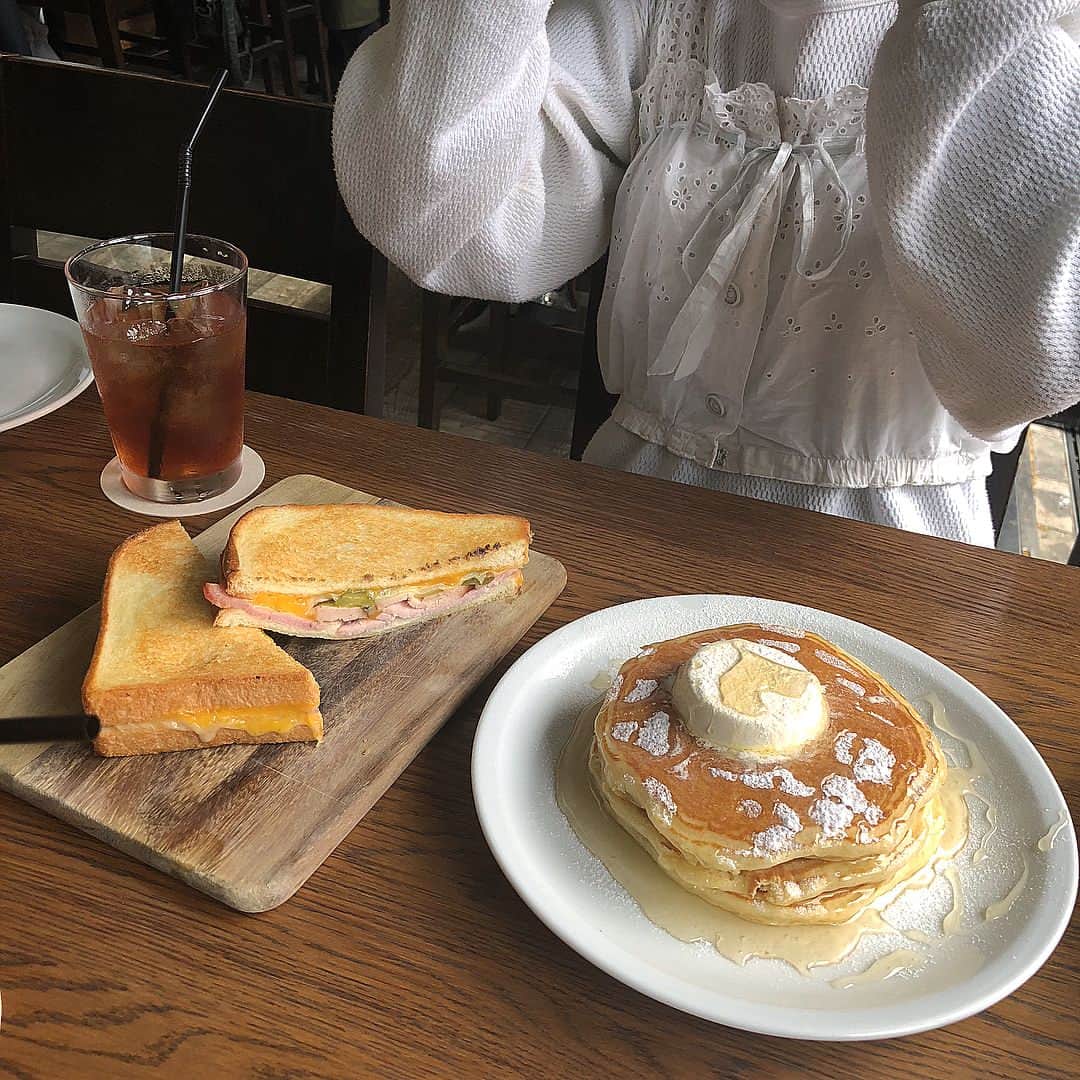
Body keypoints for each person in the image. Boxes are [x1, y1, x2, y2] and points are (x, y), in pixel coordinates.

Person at [332, 1, 1080, 545]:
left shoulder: (1040, 29)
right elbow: (445, 227)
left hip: (901, 565)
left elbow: (1033, 362)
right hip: (626, 536)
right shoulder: (662, 14)